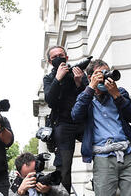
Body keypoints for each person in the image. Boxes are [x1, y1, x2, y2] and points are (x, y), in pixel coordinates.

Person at [71, 59, 131, 196]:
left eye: (106, 73)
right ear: (90, 77)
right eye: (99, 74)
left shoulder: (120, 92)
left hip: (127, 156)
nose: (104, 76)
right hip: (103, 158)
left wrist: (117, 96)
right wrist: (90, 88)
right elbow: (76, 116)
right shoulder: (85, 98)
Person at [43, 45, 88, 193]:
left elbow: (88, 96)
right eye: (54, 57)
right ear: (50, 62)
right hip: (62, 125)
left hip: (83, 122)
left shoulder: (78, 72)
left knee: (99, 153)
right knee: (64, 167)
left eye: (61, 55)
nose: (58, 58)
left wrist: (79, 82)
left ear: (67, 57)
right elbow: (50, 100)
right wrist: (58, 79)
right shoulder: (49, 78)